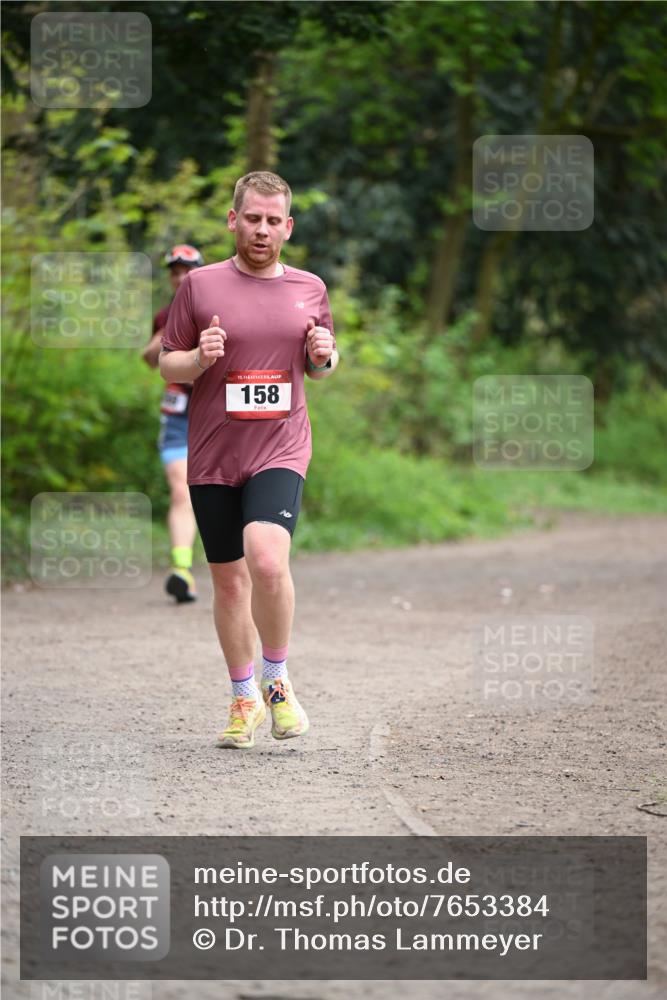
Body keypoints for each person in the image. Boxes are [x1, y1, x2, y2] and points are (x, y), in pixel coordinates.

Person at [159, 171, 339, 749]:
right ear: (233, 221)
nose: (262, 230)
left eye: (273, 221)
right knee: (230, 583)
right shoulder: (200, 287)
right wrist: (198, 357)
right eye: (252, 218)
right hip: (213, 452)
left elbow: (321, 363)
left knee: (266, 561)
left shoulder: (310, 287)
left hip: (280, 446)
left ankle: (277, 680)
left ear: (288, 227)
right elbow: (169, 365)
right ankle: (243, 699)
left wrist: (324, 356)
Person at [142, 244, 204, 604]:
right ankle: (182, 569)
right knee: (182, 491)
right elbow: (150, 359)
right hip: (178, 415)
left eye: (188, 269)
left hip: (219, 416)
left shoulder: (217, 307)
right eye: (175, 271)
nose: (181, 276)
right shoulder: (165, 315)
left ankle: (249, 568)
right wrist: (163, 339)